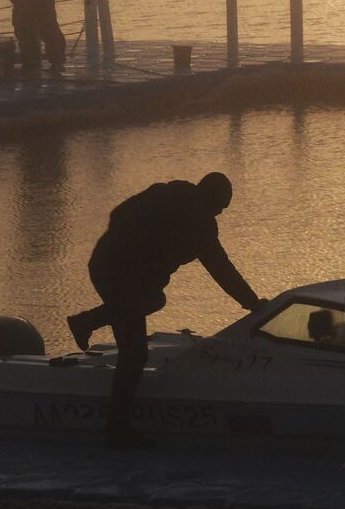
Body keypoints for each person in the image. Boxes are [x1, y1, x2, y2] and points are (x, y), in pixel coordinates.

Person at [66, 173, 261, 448]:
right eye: (220, 207)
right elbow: (222, 269)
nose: (219, 213)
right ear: (210, 199)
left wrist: (123, 246)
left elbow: (119, 213)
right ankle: (116, 430)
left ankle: (86, 321)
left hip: (107, 263)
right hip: (118, 274)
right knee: (135, 353)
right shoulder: (199, 224)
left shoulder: (166, 193)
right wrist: (252, 302)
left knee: (154, 300)